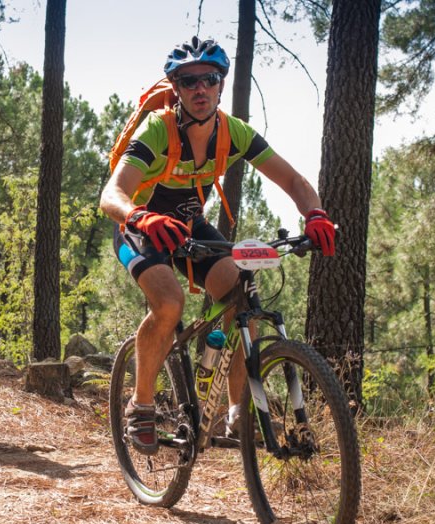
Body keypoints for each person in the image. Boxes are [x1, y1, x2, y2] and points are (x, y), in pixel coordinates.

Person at [99, 36, 336, 455]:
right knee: (169, 304)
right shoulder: (158, 130)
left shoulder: (235, 132)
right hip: (141, 228)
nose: (199, 88)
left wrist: (315, 214)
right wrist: (140, 215)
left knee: (241, 294)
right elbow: (112, 194)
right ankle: (142, 404)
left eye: (209, 78)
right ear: (175, 88)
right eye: (188, 81)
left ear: (221, 84)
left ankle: (233, 413)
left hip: (189, 227)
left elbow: (295, 181)